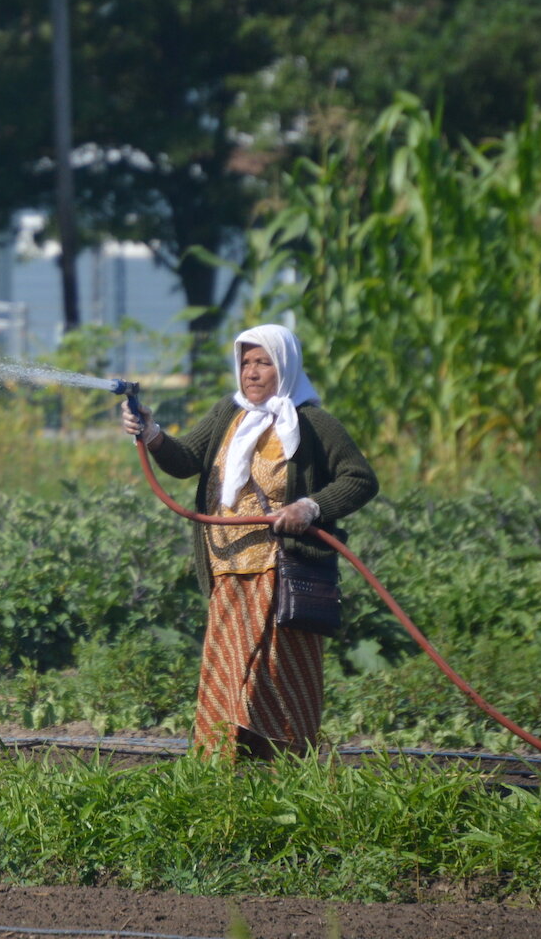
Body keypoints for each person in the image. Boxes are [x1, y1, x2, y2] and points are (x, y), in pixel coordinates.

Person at [120, 323, 378, 760]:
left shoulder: (314, 422)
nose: (252, 373)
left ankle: (285, 769)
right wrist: (152, 433)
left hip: (283, 571)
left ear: (286, 367)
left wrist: (309, 507)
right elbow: (185, 462)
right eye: (245, 363)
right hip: (228, 569)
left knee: (275, 672)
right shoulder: (229, 414)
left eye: (263, 363)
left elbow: (360, 479)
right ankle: (218, 768)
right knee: (226, 670)